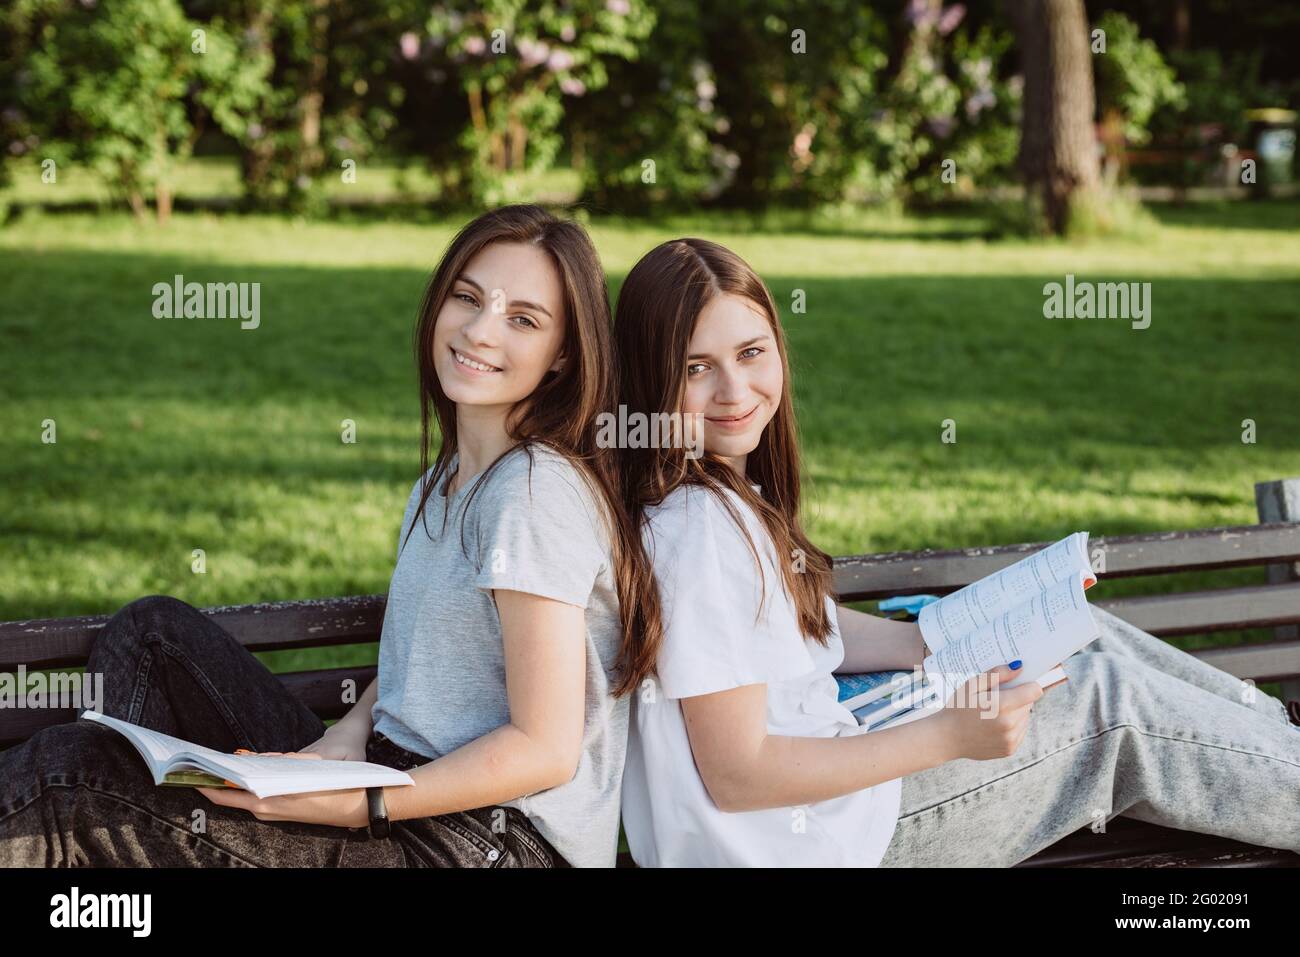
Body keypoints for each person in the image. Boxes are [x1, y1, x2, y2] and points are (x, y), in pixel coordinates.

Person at [611, 236, 1300, 867]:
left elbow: (787, 625)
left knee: (1077, 639)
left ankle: (1280, 737)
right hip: (826, 841)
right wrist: (947, 736)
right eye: (697, 367)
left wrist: (933, 641)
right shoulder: (697, 528)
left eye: (751, 353)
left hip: (835, 800)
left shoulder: (714, 497)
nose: (735, 391)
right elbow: (738, 773)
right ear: (650, 379)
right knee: (1105, 701)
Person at [0, 204, 653, 868]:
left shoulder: (535, 494)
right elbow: (424, 653)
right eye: (467, 296)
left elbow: (545, 746)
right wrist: (348, 731)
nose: (481, 330)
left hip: (478, 842)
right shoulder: (447, 478)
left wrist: (364, 802)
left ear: (563, 353)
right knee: (153, 638)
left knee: (69, 780)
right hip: (396, 783)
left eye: (522, 319)